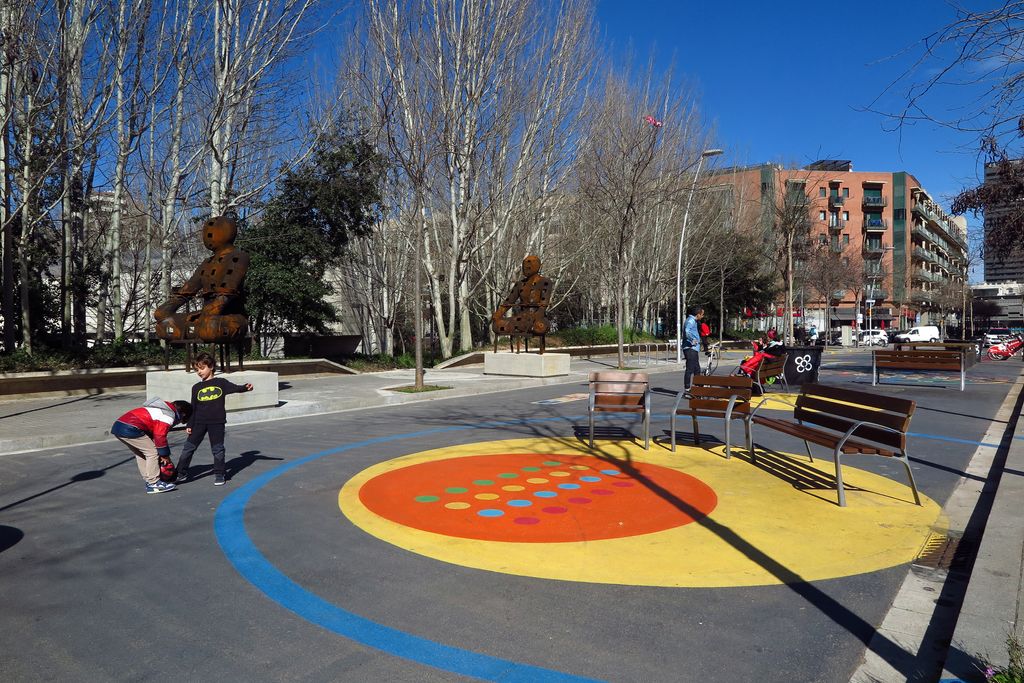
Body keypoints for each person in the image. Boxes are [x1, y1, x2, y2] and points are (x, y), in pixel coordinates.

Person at [175, 352, 253, 486]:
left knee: (217, 449)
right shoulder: (196, 387)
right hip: (199, 422)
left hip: (216, 422)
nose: (199, 372)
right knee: (188, 448)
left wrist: (245, 387)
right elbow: (193, 407)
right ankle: (180, 473)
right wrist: (189, 424)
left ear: (211, 367)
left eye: (201, 368)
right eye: (196, 370)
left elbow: (235, 388)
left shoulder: (221, 382)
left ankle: (219, 473)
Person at [111, 398, 192, 494]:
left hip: (119, 426)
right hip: (131, 428)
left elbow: (151, 429)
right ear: (183, 414)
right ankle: (154, 484)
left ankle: (149, 479)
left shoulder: (160, 410)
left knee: (141, 453)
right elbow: (159, 436)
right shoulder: (168, 416)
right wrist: (165, 456)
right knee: (152, 453)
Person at [682, 306, 705, 395]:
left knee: (697, 369)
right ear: (698, 314)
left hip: (693, 348)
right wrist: (693, 340)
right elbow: (687, 331)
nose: (702, 316)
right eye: (702, 314)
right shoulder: (690, 321)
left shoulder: (693, 321)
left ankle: (697, 388)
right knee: (690, 369)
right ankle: (687, 389)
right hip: (690, 348)